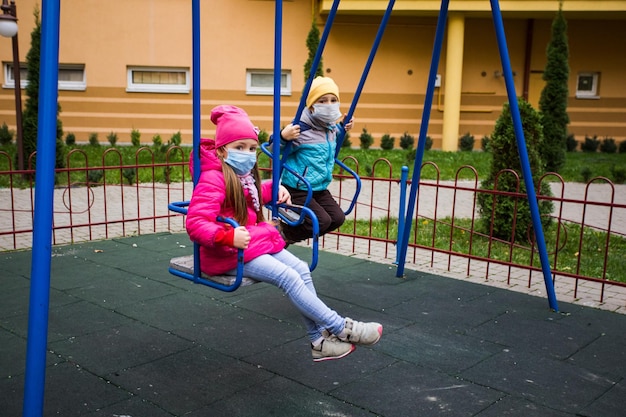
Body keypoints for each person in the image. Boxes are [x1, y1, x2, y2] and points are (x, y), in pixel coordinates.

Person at [185, 105, 382, 362]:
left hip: (248, 242)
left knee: (300, 268)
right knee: (288, 277)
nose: (247, 154)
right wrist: (226, 237)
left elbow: (249, 195)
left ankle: (318, 341)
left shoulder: (243, 175)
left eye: (252, 148)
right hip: (224, 252)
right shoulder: (213, 178)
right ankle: (341, 327)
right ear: (222, 151)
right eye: (239, 148)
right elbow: (196, 221)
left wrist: (273, 189)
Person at [278, 76, 353, 244]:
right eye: (322, 100)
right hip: (297, 188)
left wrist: (342, 127)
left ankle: (287, 235)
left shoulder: (330, 128)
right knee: (322, 221)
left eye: (333, 100)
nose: (329, 105)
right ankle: (282, 234)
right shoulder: (300, 129)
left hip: (319, 187)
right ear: (311, 106)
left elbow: (327, 141)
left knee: (338, 218)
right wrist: (283, 136)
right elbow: (272, 148)